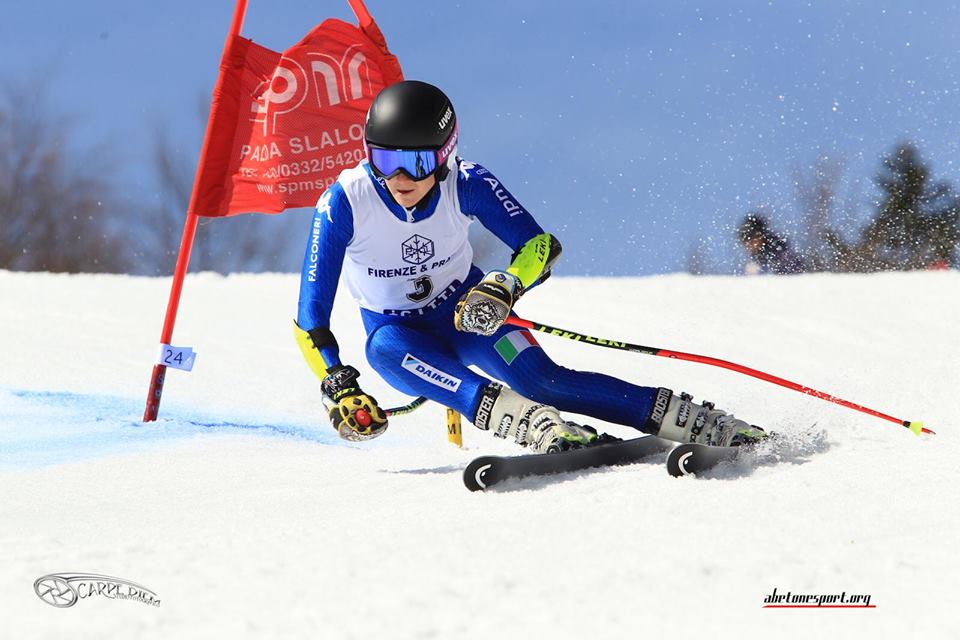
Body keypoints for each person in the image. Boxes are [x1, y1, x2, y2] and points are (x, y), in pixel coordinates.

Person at [295, 80, 765, 452]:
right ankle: (531, 425)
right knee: (382, 350)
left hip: (469, 313)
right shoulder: (345, 202)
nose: (399, 178)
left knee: (544, 381)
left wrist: (505, 285)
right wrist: (335, 383)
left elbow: (539, 246)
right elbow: (310, 318)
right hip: (401, 334)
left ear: (443, 155)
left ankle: (690, 419)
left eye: (415, 162)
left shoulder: (468, 182)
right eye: (383, 158)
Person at [737, 214, 806, 275]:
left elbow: (794, 276)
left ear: (760, 236)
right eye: (744, 241)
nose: (748, 245)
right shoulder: (757, 259)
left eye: (751, 240)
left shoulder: (780, 253)